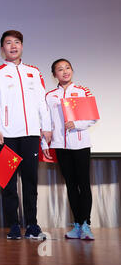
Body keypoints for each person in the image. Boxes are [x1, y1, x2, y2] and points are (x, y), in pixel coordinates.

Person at [0, 30, 51, 240]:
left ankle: (32, 224)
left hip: (31, 134)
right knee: (8, 181)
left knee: (31, 181)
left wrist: (46, 126)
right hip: (7, 135)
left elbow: (42, 102)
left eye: (16, 42)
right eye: (8, 43)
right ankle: (13, 225)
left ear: (22, 46)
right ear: (2, 49)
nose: (13, 46)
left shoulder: (33, 72)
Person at [42, 58, 97, 240]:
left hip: (80, 144)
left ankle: (86, 225)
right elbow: (47, 122)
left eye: (67, 68)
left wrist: (77, 124)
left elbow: (93, 117)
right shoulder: (50, 96)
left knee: (83, 184)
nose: (64, 71)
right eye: (60, 69)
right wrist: (45, 144)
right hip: (60, 145)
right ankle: (77, 225)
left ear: (72, 70)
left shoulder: (82, 91)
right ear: (54, 75)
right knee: (71, 185)